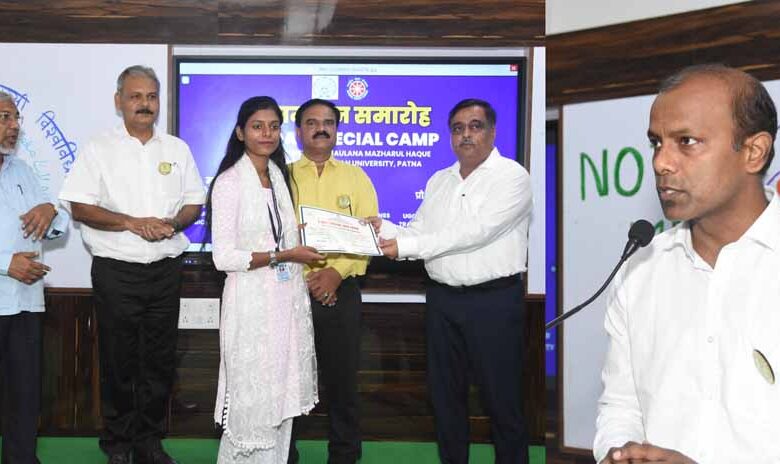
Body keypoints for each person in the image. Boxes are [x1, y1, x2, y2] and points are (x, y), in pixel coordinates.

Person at [594, 64, 780, 463]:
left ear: (753, 152)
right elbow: (620, 407)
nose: (661, 162)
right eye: (655, 143)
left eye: (687, 142)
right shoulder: (640, 270)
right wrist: (621, 453)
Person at [370, 98, 532, 464]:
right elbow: (419, 230)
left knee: (502, 402)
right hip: (442, 302)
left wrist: (407, 245)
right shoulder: (439, 180)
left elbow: (474, 233)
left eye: (475, 126)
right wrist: (384, 229)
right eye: (458, 129)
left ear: (492, 132)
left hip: (493, 302)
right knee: (445, 400)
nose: (466, 135)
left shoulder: (512, 177)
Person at [59, 65, 206, 464]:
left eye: (151, 96)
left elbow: (194, 202)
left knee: (159, 360)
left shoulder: (176, 149)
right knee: (118, 361)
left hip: (165, 269)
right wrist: (131, 222)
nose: (145, 104)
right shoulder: (98, 148)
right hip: (116, 270)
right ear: (118, 101)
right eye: (135, 96)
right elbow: (79, 206)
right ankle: (119, 443)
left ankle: (150, 442)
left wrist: (172, 223)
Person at [207, 96, 322, 463]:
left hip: (284, 303)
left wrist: (320, 231)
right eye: (258, 127)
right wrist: (284, 255)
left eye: (274, 127)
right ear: (241, 132)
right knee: (252, 399)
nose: (267, 134)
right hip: (250, 305)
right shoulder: (229, 182)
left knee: (278, 397)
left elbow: (279, 235)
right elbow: (224, 257)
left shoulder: (276, 177)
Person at [287, 98, 378, 464]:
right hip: (290, 291)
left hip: (342, 292)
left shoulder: (356, 177)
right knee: (289, 381)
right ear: (299, 131)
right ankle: (284, 454)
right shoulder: (281, 176)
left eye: (328, 122)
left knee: (342, 382)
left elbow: (369, 236)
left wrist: (335, 273)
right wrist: (310, 279)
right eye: (312, 122)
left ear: (337, 130)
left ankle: (344, 456)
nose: (321, 128)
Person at [0, 91, 68, 464]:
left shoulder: (22, 171)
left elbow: (56, 227)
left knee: (25, 395)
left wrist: (49, 211)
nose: (14, 126)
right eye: (4, 118)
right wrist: (5, 263)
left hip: (26, 302)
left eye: (16, 118)